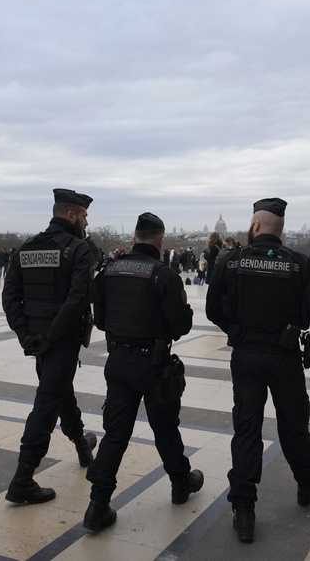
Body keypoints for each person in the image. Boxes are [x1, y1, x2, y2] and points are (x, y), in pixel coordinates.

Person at [206, 198, 310, 544]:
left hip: (246, 354)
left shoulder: (231, 261)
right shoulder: (298, 265)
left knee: (246, 428)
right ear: (281, 229)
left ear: (255, 226)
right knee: (293, 425)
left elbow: (211, 308)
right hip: (285, 356)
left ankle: (244, 508)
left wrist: (236, 330)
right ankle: (308, 478)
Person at [83, 212, 204, 532]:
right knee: (165, 427)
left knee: (116, 433)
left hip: (119, 360)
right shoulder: (163, 275)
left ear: (134, 237)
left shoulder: (108, 271)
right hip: (154, 363)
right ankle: (180, 483)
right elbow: (180, 325)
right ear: (160, 240)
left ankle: (98, 503)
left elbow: (100, 320)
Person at [1, 188, 100, 505]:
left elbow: (10, 298)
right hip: (61, 340)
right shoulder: (79, 250)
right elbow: (77, 300)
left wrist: (26, 336)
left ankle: (83, 448)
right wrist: (51, 338)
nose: (86, 221)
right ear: (71, 214)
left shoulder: (26, 248)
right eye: (83, 215)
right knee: (47, 402)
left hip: (38, 339)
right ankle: (22, 478)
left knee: (59, 391)